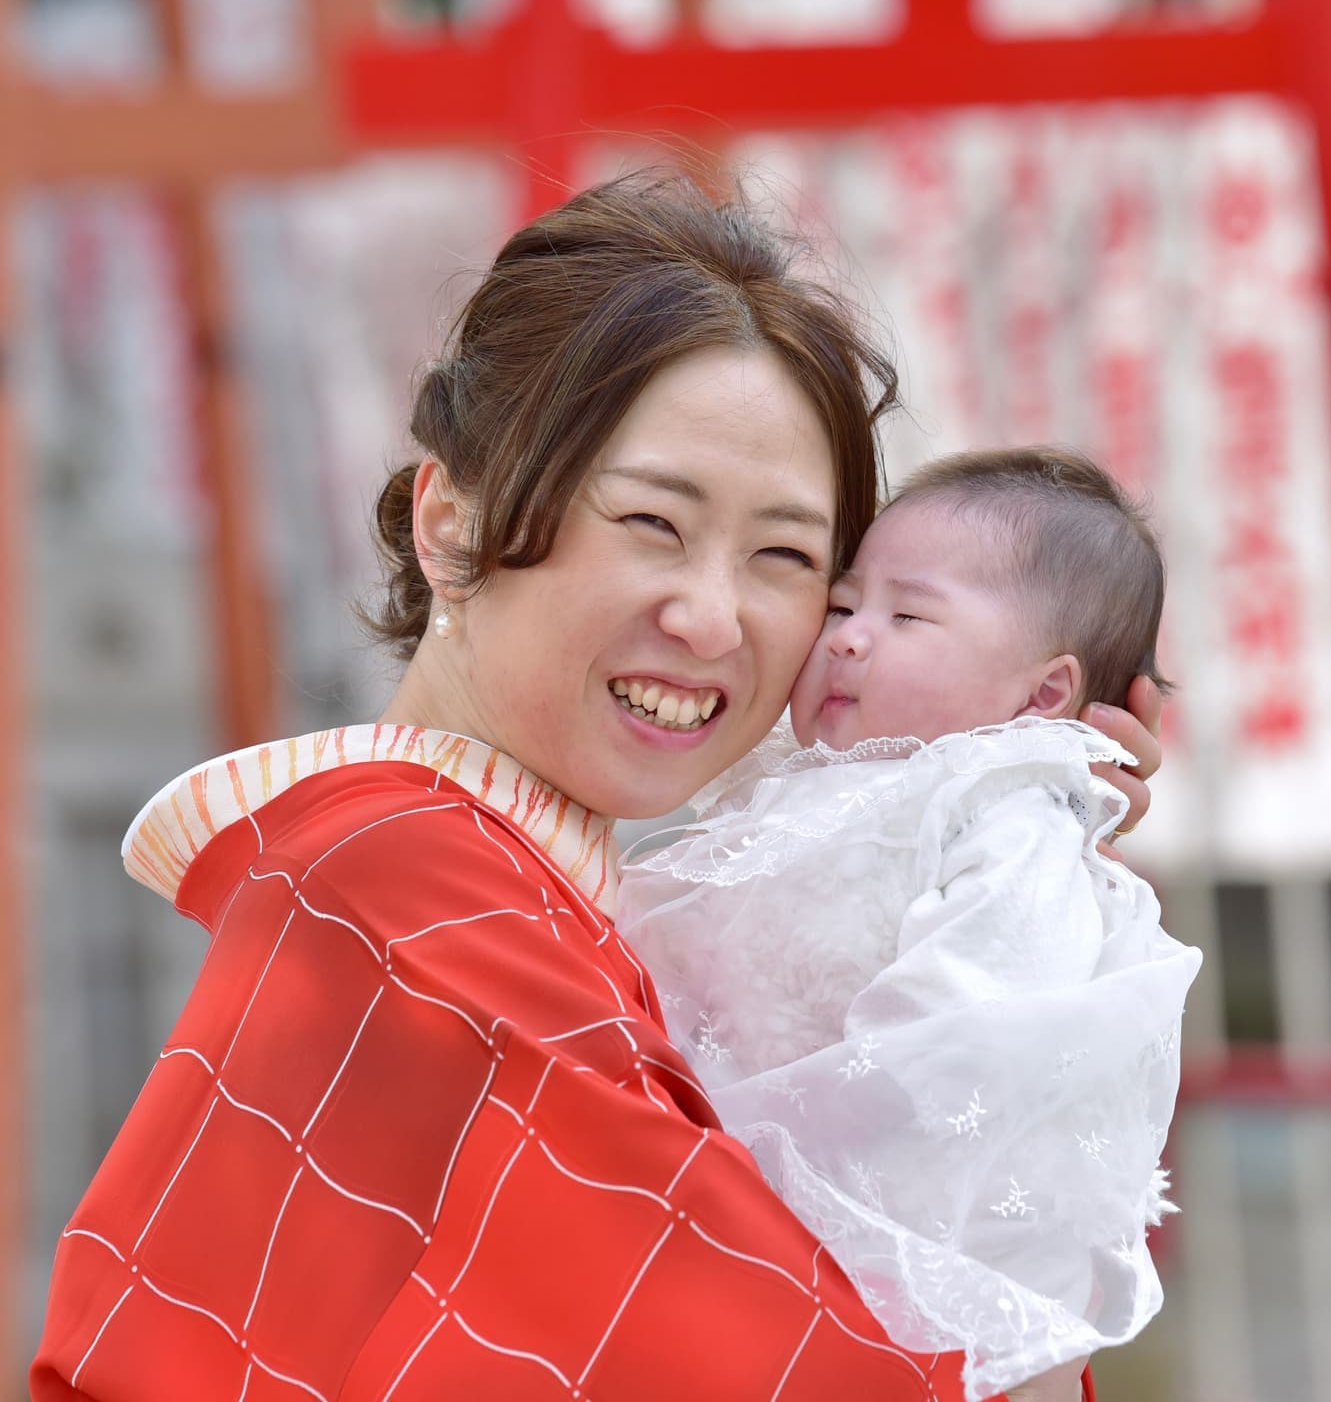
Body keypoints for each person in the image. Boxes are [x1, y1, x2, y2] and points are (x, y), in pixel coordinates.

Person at [31, 175, 1163, 1402]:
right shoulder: (419, 891)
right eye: (651, 523)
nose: (713, 616)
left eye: (789, 559)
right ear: (451, 524)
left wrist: (992, 861)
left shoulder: (516, 891)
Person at [620, 447, 1203, 1400]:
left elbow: (968, 1016)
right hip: (722, 1192)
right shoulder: (787, 777)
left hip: (895, 1216)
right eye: (843, 607)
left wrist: (817, 1149)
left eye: (908, 615)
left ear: (1043, 696)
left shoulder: (1007, 808)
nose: (848, 638)